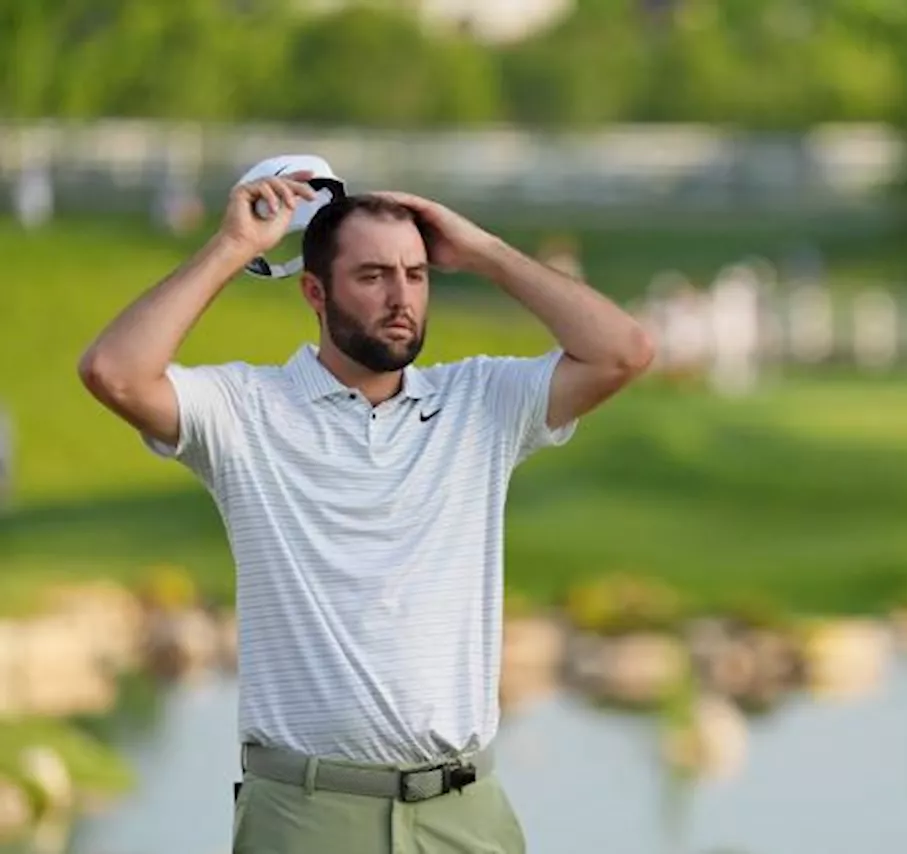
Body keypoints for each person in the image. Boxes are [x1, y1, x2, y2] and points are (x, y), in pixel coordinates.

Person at [77, 170, 654, 853]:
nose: (401, 298)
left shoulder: (481, 402)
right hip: (308, 814)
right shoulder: (245, 412)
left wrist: (485, 251)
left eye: (415, 274)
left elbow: (625, 351)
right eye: (374, 276)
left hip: (465, 815)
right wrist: (234, 246)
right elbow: (114, 370)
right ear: (315, 292)